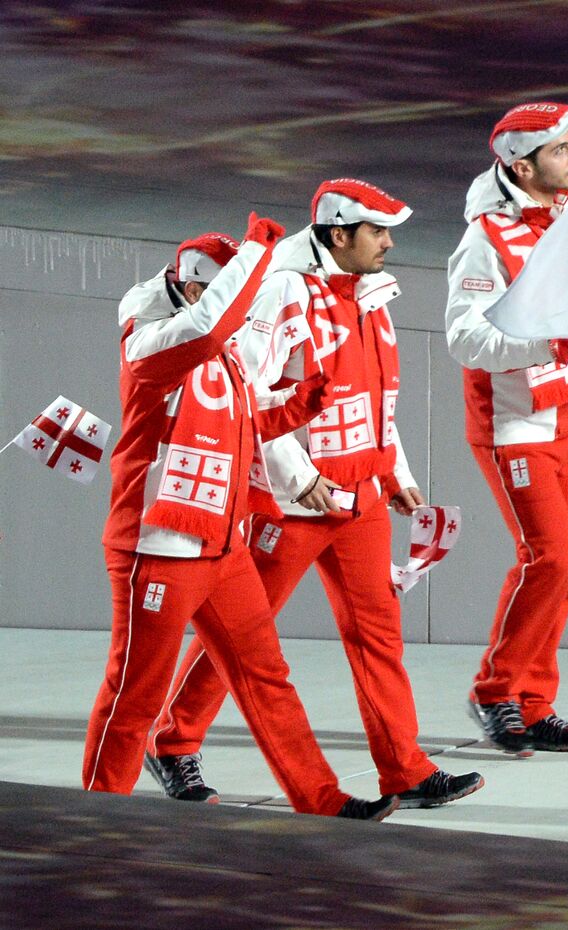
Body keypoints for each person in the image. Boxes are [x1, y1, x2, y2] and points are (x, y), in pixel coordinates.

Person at [150, 180, 483, 809]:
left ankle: (405, 769)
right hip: (290, 503)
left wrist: (397, 473)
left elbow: (375, 396)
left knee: (379, 636)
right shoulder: (280, 291)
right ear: (338, 233)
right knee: (242, 637)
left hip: (359, 497)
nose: (388, 243)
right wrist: (303, 480)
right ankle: (173, 742)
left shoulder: (373, 294)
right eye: (377, 231)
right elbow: (243, 397)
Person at [86, 219, 396, 821]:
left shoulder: (219, 350)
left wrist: (302, 401)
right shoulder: (149, 344)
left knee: (266, 677)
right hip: (157, 550)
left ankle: (322, 800)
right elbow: (203, 333)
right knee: (135, 694)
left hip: (222, 547)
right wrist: (258, 248)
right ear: (201, 292)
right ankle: (96, 824)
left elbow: (243, 428)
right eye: (241, 297)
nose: (249, 315)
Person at [443, 102, 568, 756]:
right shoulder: (483, 240)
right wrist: (544, 342)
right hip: (516, 427)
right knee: (551, 558)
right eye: (562, 150)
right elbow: (463, 336)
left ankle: (534, 704)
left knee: (560, 572)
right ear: (521, 163)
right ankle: (494, 691)